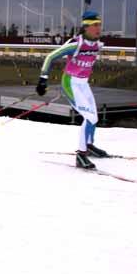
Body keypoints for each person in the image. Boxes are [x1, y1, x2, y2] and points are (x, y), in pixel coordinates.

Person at [36, 11, 108, 169]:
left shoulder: (97, 44)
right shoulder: (76, 45)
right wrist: (43, 80)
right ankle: (80, 156)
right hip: (71, 83)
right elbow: (50, 57)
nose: (99, 28)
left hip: (84, 83)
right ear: (86, 27)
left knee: (94, 117)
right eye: (95, 25)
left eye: (100, 25)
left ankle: (89, 145)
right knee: (89, 117)